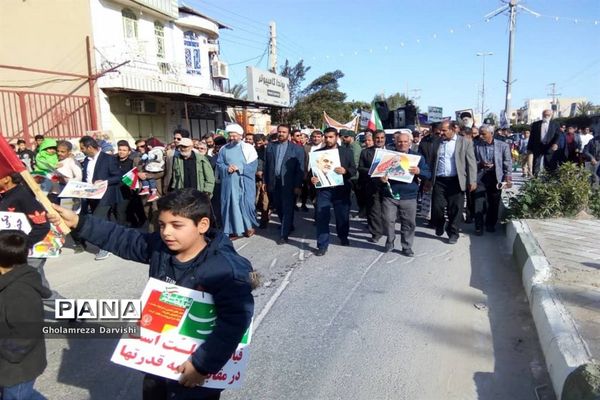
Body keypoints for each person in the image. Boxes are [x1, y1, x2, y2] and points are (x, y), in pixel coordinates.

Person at [49, 189, 254, 400]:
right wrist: (79, 222)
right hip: (158, 363)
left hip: (196, 373)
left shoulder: (226, 269)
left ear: (202, 225)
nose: (166, 233)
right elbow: (123, 239)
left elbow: (235, 322)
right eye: (162, 224)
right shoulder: (161, 248)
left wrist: (202, 366)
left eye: (177, 225)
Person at [0, 230, 51, 400]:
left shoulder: (20, 292)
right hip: (9, 366)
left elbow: (25, 337)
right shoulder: (7, 280)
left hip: (17, 368)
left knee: (17, 396)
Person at [419, 120, 477, 244]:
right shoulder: (436, 142)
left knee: (455, 209)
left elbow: (471, 163)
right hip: (439, 180)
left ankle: (453, 233)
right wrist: (428, 180)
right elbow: (431, 162)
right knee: (437, 208)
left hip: (456, 180)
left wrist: (472, 180)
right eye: (440, 131)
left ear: (453, 129)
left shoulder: (465, 142)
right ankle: (440, 224)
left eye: (444, 131)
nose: (441, 133)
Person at [380, 132, 431, 255]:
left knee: (408, 223)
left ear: (410, 142)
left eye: (405, 142)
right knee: (387, 220)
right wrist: (381, 178)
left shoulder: (417, 157)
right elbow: (378, 172)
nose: (402, 144)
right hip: (390, 194)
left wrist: (419, 171)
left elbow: (427, 173)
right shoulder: (388, 156)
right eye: (399, 141)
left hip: (409, 195)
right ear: (395, 142)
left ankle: (406, 246)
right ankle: (390, 240)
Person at [310, 127, 356, 256]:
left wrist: (345, 171)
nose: (328, 139)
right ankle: (322, 245)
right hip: (324, 190)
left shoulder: (347, 152)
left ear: (337, 137)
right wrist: (312, 179)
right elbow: (312, 172)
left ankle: (343, 236)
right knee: (322, 216)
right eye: (326, 137)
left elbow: (353, 170)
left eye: (331, 137)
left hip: (341, 190)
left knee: (342, 216)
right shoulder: (318, 153)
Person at [80, 135, 123, 260]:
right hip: (90, 195)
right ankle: (117, 241)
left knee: (97, 220)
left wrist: (104, 181)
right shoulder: (86, 160)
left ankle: (105, 247)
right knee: (107, 221)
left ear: (89, 147)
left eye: (83, 148)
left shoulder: (108, 159)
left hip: (105, 195)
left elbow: (118, 177)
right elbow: (86, 177)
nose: (81, 150)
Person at [263, 124, 305, 244]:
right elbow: (267, 166)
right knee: (278, 206)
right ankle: (287, 225)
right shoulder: (271, 147)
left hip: (289, 183)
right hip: (274, 182)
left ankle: (284, 234)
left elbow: (300, 168)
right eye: (279, 132)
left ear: (289, 135)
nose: (281, 134)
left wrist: (297, 185)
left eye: (284, 132)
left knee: (287, 208)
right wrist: (266, 182)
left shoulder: (297, 149)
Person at [217, 124, 258, 239]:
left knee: (245, 204)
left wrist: (239, 168)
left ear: (241, 135)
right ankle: (233, 230)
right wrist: (226, 168)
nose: (232, 138)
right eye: (231, 136)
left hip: (243, 182)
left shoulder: (248, 148)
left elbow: (253, 166)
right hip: (229, 183)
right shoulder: (223, 149)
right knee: (230, 205)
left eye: (235, 136)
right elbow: (220, 163)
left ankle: (248, 227)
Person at [473, 125, 512, 235]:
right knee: (478, 201)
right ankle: (478, 226)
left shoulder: (503, 146)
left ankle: (490, 223)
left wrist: (507, 178)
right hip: (480, 177)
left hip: (496, 177)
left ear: (491, 133)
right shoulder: (476, 145)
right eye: (480, 133)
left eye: (483, 134)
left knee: (493, 202)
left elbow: (507, 162)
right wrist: (480, 164)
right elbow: (473, 161)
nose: (481, 136)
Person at [358, 130, 386, 242]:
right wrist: (373, 171)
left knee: (387, 210)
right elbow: (360, 168)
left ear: (385, 139)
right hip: (372, 185)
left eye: (382, 138)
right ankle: (376, 233)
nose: (379, 140)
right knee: (373, 210)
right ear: (374, 139)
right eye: (377, 138)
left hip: (388, 186)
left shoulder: (392, 151)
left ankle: (385, 227)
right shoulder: (365, 152)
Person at [528, 109, 560, 175]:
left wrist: (555, 143)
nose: (546, 116)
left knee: (549, 162)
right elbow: (532, 137)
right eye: (545, 115)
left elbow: (558, 135)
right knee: (536, 162)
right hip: (538, 146)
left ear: (551, 115)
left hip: (549, 146)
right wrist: (529, 148)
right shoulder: (536, 124)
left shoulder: (555, 124)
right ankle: (535, 178)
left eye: (548, 115)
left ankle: (550, 178)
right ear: (542, 115)